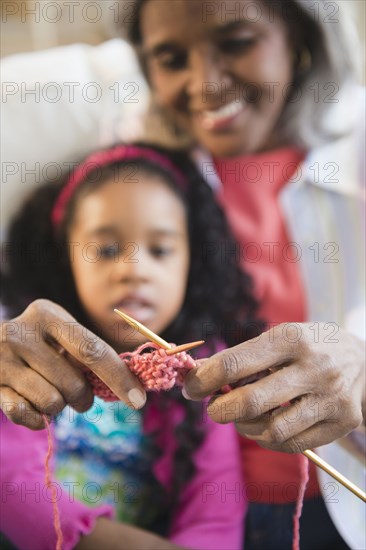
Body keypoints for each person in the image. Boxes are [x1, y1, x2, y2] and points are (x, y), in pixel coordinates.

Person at [121, 0, 365, 548]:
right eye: (170, 57)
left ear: (299, 36)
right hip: (188, 512)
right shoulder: (132, 166)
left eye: (235, 42)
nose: (204, 83)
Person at [1, 143, 262, 549]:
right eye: (105, 250)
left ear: (191, 262)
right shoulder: (32, 348)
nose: (134, 269)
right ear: (66, 256)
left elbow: (215, 514)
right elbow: (12, 482)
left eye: (160, 250)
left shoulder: (206, 368)